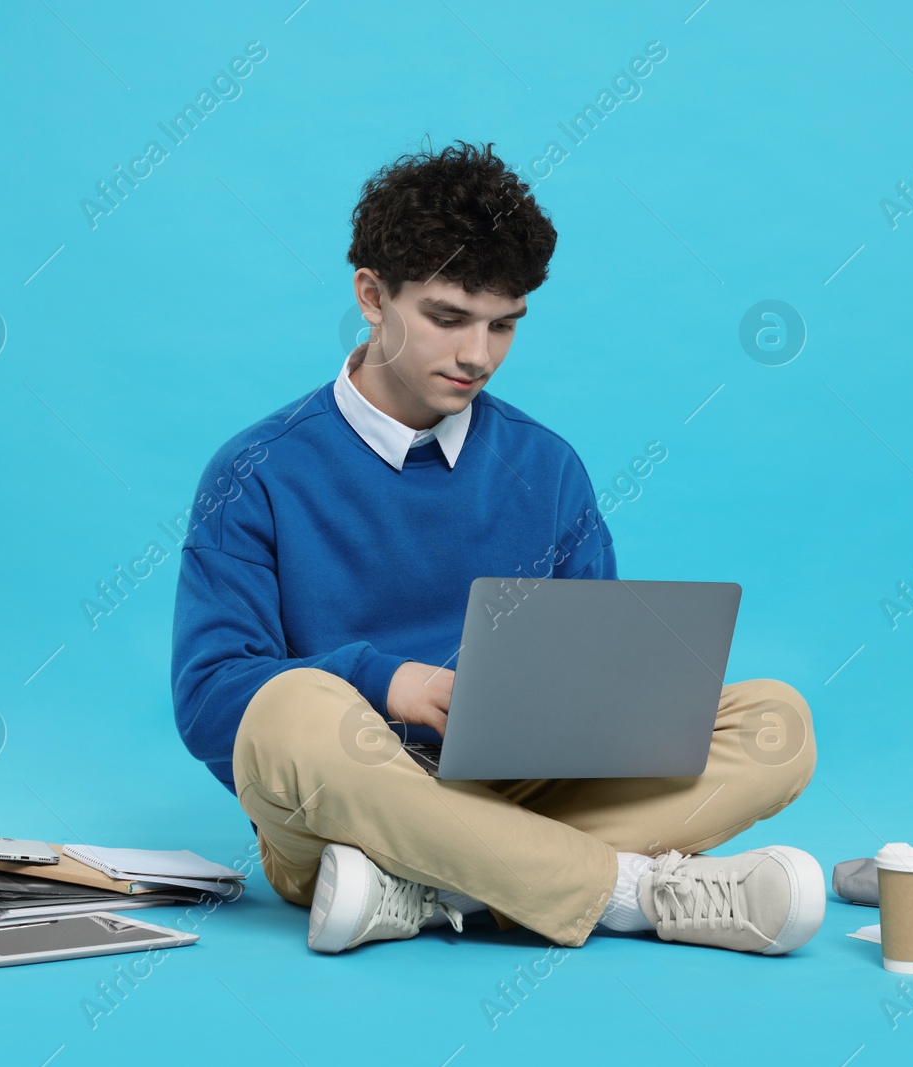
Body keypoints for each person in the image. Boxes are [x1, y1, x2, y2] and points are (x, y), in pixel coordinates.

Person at [170, 139, 824, 956]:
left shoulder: (545, 466)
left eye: (504, 325)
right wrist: (386, 681)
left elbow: (602, 683)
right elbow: (207, 702)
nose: (478, 355)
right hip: (347, 799)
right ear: (371, 296)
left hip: (514, 790)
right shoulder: (255, 470)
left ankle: (428, 888)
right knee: (288, 709)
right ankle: (629, 889)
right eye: (447, 318)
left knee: (778, 720)